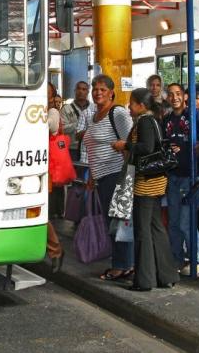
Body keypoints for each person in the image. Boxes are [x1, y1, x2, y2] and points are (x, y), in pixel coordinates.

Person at [120, 88, 178, 291]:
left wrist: (125, 146)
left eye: (132, 103)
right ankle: (166, 275)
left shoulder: (144, 121)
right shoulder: (154, 119)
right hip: (157, 181)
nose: (129, 106)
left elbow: (146, 147)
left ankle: (144, 280)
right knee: (156, 228)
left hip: (145, 183)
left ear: (141, 105)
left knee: (142, 230)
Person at [84, 74, 134, 281]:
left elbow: (131, 141)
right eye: (95, 88)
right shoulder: (94, 115)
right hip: (101, 177)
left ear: (112, 92)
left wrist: (126, 175)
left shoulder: (118, 113)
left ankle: (123, 265)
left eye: (102, 89)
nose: (98, 92)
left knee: (118, 222)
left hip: (116, 175)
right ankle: (120, 262)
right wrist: (92, 175)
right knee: (111, 222)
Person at [162, 83, 199, 276]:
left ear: (185, 96)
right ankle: (176, 259)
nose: (175, 98)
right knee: (173, 222)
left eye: (178, 94)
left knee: (185, 221)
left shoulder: (196, 115)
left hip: (191, 176)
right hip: (172, 175)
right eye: (171, 94)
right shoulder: (166, 119)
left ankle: (197, 260)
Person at [46, 106, 64, 273]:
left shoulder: (52, 112)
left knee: (41, 214)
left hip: (43, 165)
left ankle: (55, 250)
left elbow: (51, 126)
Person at [60, 81, 92, 161]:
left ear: (88, 92)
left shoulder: (94, 108)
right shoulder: (66, 109)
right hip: (73, 148)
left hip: (90, 149)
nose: (81, 91)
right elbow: (62, 128)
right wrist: (79, 123)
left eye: (84, 89)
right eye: (79, 89)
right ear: (75, 91)